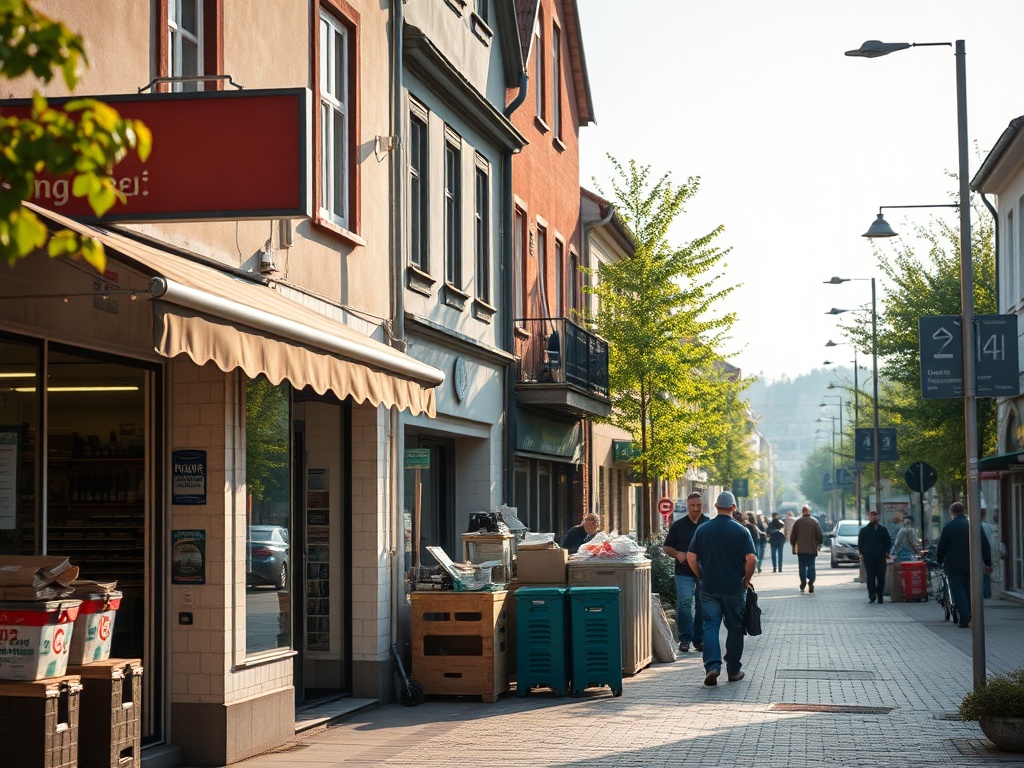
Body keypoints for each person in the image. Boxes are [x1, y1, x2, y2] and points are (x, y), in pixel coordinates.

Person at [686, 491, 756, 687]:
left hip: (709, 587)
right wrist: (746, 579)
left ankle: (712, 667)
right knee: (735, 627)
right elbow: (751, 559)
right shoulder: (741, 531)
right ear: (734, 508)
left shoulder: (703, 529)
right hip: (734, 587)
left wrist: (700, 575)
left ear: (715, 507)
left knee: (710, 625)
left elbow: (691, 558)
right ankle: (733, 670)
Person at [662, 492, 710, 653]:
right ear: (688, 506)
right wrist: (677, 554)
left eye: (698, 505)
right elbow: (667, 547)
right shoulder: (679, 525)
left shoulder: (708, 524)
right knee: (684, 603)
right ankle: (684, 639)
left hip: (704, 571)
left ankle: (699, 639)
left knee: (702, 604)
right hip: (683, 571)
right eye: (692, 506)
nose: (696, 509)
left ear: (703, 505)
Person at [936, 501, 992, 628]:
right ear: (963, 511)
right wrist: (987, 563)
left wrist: (939, 560)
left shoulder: (948, 527)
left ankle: (965, 615)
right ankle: (972, 612)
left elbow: (942, 546)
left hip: (954, 565)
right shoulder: (974, 525)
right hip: (973, 563)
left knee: (957, 589)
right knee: (970, 589)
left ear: (952, 513)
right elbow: (984, 544)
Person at [859, 510, 893, 603]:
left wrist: (887, 552)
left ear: (878, 517)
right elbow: (860, 544)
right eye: (872, 516)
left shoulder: (883, 530)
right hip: (868, 557)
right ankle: (872, 595)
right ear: (869, 518)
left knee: (881, 576)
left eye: (876, 516)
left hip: (880, 557)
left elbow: (888, 543)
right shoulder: (864, 531)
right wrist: (862, 554)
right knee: (870, 576)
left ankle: (880, 594)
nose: (874, 518)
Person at [789, 504, 823, 593]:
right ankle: (811, 582)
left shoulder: (797, 522)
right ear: (809, 512)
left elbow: (793, 536)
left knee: (802, 567)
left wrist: (793, 545)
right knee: (811, 566)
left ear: (802, 512)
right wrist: (818, 543)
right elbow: (819, 535)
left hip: (801, 550)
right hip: (812, 549)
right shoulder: (815, 522)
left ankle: (803, 582)